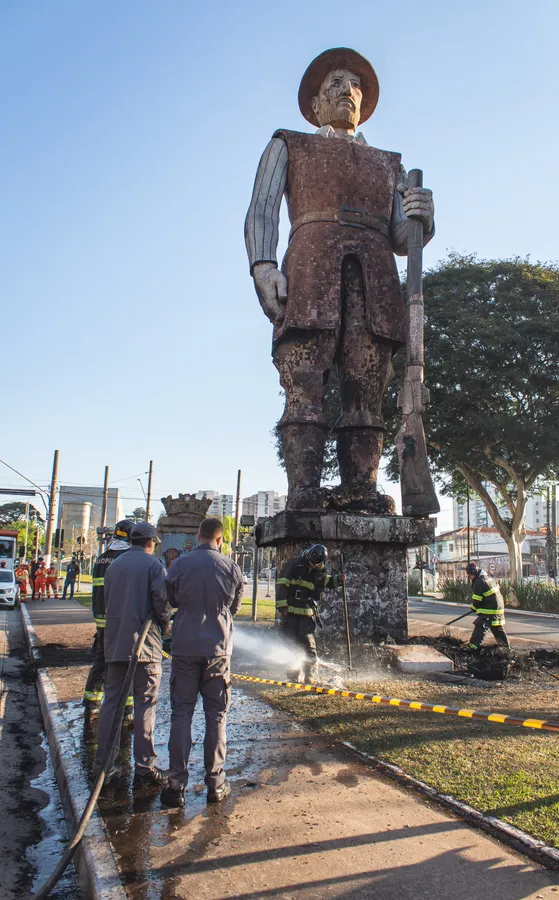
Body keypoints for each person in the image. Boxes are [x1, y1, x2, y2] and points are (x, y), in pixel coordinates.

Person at [245, 48, 435, 515]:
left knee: (367, 386)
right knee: (303, 380)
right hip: (310, 271)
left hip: (374, 278)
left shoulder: (389, 164)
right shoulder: (290, 143)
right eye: (334, 82)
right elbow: (262, 208)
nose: (345, 90)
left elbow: (399, 237)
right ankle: (305, 490)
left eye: (354, 85)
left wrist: (421, 221)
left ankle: (361, 490)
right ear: (314, 105)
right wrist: (263, 265)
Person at [160, 517, 243, 809]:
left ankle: (176, 785)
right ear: (219, 540)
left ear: (198, 536)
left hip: (184, 647)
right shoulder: (231, 567)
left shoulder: (179, 565)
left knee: (181, 714)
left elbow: (169, 599)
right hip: (217, 650)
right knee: (216, 717)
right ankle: (215, 783)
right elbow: (235, 606)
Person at [93, 522, 172, 786]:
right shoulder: (153, 566)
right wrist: (167, 623)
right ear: (151, 542)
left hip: (114, 645)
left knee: (111, 706)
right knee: (145, 707)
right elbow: (161, 601)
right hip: (145, 648)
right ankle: (145, 768)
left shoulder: (114, 566)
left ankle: (104, 766)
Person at [83, 520, 134, 714]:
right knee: (127, 664)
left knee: (101, 662)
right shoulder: (127, 558)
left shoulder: (102, 558)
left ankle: (91, 703)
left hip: (101, 619)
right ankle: (127, 708)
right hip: (121, 619)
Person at [275, 543, 344, 683]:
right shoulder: (294, 564)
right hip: (290, 612)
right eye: (312, 563)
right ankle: (293, 673)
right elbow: (282, 585)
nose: (313, 566)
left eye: (317, 564)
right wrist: (282, 607)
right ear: (308, 556)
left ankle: (310, 676)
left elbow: (326, 582)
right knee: (289, 642)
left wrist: (339, 580)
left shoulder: (320, 569)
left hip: (306, 613)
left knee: (309, 646)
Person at [465, 562, 510, 650]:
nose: (470, 577)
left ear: (474, 573)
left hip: (490, 608)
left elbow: (477, 599)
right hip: (498, 606)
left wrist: (473, 608)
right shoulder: (487, 578)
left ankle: (473, 646)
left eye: (470, 575)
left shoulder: (479, 581)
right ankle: (505, 647)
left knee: (481, 624)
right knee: (496, 627)